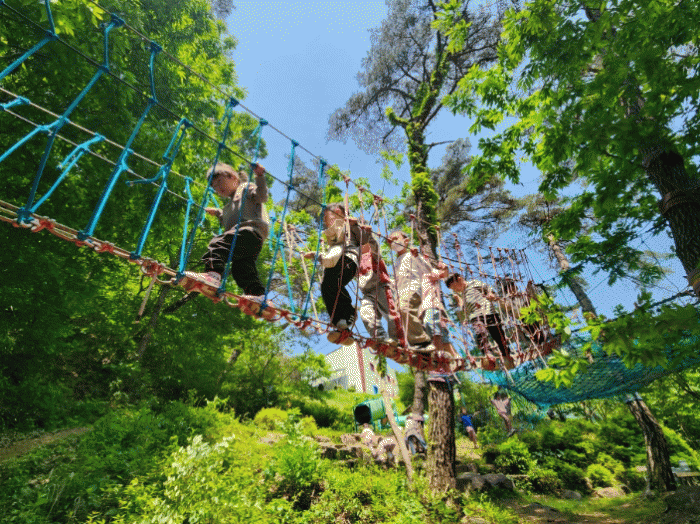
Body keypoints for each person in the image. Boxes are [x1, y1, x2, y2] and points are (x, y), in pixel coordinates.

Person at [186, 162, 270, 307]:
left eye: (219, 182)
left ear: (233, 177)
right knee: (241, 269)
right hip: (250, 241)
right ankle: (258, 297)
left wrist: (260, 176)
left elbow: (261, 196)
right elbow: (230, 220)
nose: (218, 188)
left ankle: (213, 275)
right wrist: (218, 213)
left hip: (250, 231)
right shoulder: (227, 207)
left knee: (217, 244)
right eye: (214, 187)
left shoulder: (245, 188)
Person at [305, 203, 369, 343]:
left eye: (326, 216)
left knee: (335, 282)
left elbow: (365, 240)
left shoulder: (350, 225)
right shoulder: (333, 232)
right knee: (326, 286)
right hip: (336, 259)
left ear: (338, 211)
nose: (325, 220)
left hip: (348, 258)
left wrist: (355, 225)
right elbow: (333, 252)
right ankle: (340, 325)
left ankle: (349, 313)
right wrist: (316, 255)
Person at [388, 231, 447, 351]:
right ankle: (413, 345)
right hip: (400, 292)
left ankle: (421, 341)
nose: (393, 242)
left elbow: (428, 269)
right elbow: (397, 280)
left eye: (396, 238)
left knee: (404, 309)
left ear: (406, 241)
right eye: (391, 241)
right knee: (401, 316)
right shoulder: (396, 262)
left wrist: (417, 256)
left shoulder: (412, 254)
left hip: (412, 289)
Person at [445, 273, 511, 359]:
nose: (455, 290)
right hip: (475, 316)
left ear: (460, 279)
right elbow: (466, 309)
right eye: (453, 289)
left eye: (454, 287)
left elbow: (487, 287)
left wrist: (490, 293)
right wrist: (466, 317)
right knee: (480, 333)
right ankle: (488, 353)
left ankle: (506, 353)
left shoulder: (474, 283)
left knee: (498, 335)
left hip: (489, 312)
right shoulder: (462, 294)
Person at [358, 238, 401, 346]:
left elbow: (375, 248)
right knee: (365, 312)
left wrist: (369, 236)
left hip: (381, 287)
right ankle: (380, 337)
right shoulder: (356, 260)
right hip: (367, 293)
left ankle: (398, 340)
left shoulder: (373, 253)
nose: (360, 245)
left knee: (391, 314)